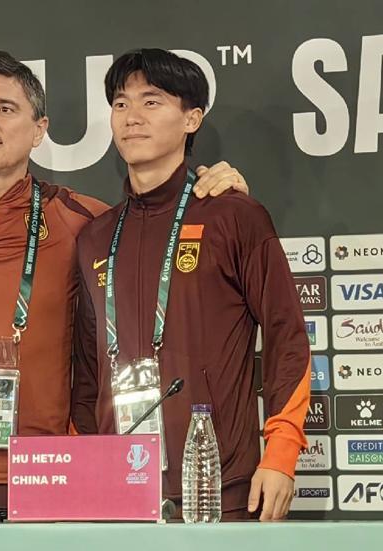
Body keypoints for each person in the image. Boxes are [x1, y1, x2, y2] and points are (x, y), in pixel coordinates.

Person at [0, 49, 249, 513]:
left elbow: (158, 226)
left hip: (50, 475)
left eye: (5, 109)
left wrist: (214, 193)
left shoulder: (84, 221)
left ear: (39, 130)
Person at [71, 48, 310, 522]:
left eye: (151, 101)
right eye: (120, 104)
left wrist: (281, 453)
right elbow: (85, 373)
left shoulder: (234, 215)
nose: (132, 117)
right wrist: (85, 471)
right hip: (118, 498)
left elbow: (287, 335)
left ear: (192, 118)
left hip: (221, 491)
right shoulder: (95, 236)